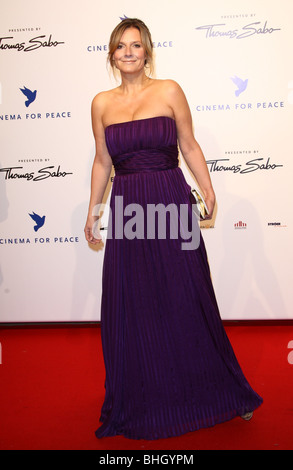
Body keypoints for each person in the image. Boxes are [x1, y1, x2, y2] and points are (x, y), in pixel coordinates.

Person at [84, 18, 263, 440]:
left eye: (135, 45)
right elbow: (101, 161)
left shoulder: (168, 91)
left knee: (188, 295)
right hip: (129, 210)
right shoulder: (101, 103)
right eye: (120, 46)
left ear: (147, 51)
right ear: (111, 54)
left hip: (169, 199)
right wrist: (94, 210)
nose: (128, 52)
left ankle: (222, 392)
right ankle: (146, 394)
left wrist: (208, 186)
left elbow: (189, 144)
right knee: (137, 301)